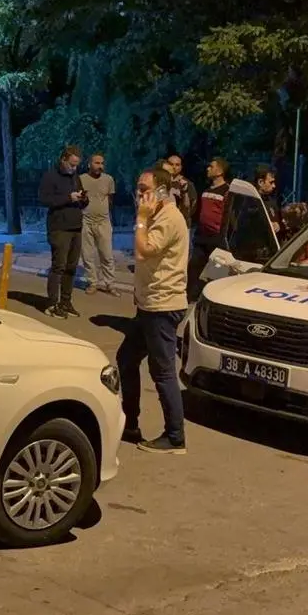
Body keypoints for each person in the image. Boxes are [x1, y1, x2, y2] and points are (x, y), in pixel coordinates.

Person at [118, 166, 190, 454]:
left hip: (162, 306)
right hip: (149, 304)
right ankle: (130, 423)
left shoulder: (169, 218)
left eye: (144, 190)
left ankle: (175, 437)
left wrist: (140, 219)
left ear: (161, 191)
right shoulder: (157, 216)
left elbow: (142, 251)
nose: (139, 195)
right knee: (126, 358)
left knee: (163, 372)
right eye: (138, 189)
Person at [38, 145, 87, 318]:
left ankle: (66, 301)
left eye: (76, 165)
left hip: (76, 226)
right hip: (59, 228)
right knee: (58, 267)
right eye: (72, 164)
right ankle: (52, 304)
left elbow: (81, 201)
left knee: (71, 267)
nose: (74, 168)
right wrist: (68, 198)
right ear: (63, 160)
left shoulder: (75, 177)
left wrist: (83, 198)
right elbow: (44, 199)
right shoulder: (50, 176)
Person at [188, 156, 230, 299]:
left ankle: (214, 297)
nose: (208, 169)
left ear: (220, 171)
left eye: (211, 166)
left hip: (217, 238)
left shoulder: (227, 191)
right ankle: (190, 295)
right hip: (201, 236)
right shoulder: (206, 190)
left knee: (217, 271)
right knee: (194, 267)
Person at [79, 153, 119, 297]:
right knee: (87, 255)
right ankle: (92, 283)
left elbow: (110, 199)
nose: (100, 166)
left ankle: (110, 284)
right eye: (97, 163)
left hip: (103, 222)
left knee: (107, 255)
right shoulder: (81, 179)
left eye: (102, 163)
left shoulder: (108, 179)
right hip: (85, 221)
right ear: (89, 164)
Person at [161, 154, 198, 220]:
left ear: (181, 167)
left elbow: (192, 207)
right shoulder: (160, 182)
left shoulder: (187, 184)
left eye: (177, 165)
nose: (174, 167)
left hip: (180, 221)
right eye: (171, 164)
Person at [254, 164, 282, 237]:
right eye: (271, 182)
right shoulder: (249, 201)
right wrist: (266, 226)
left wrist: (277, 225)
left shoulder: (272, 202)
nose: (274, 186)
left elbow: (278, 220)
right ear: (260, 182)